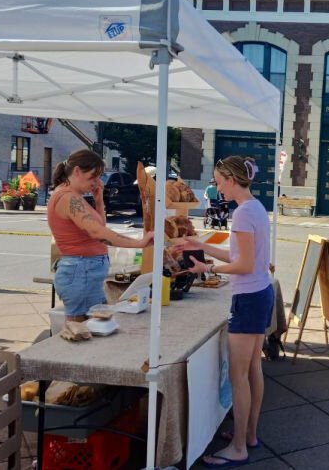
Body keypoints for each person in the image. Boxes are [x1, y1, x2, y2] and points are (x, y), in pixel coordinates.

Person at [175, 156, 273, 466]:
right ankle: (249, 435)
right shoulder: (255, 208)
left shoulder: (244, 214)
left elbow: (242, 264)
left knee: (239, 375)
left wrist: (208, 267)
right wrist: (200, 245)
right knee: (252, 370)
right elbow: (241, 254)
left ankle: (240, 447)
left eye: (218, 180)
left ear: (231, 179)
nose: (216, 187)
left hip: (248, 297)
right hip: (261, 292)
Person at [48, 150, 154, 322]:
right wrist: (139, 243)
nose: (97, 182)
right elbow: (97, 232)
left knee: (93, 324)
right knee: (81, 328)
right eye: (92, 177)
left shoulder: (74, 196)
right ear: (76, 171)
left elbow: (99, 227)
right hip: (80, 270)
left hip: (85, 270)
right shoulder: (68, 198)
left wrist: (99, 201)